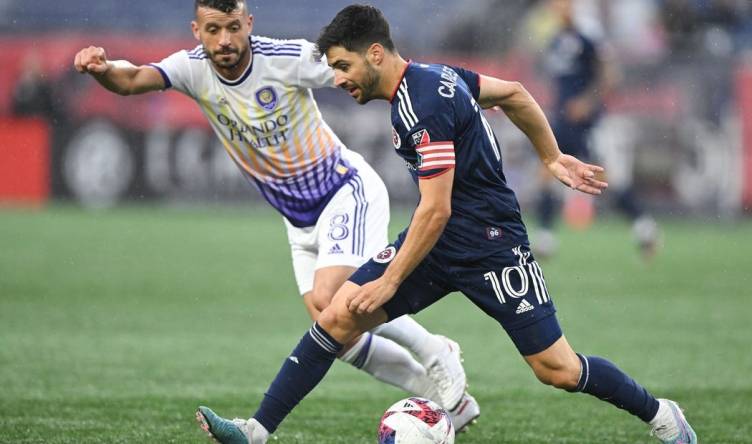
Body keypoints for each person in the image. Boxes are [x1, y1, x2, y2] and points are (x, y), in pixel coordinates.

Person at [196, 4, 696, 444]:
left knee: (557, 370)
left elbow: (437, 208)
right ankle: (256, 432)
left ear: (374, 54)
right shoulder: (436, 76)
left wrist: (390, 281)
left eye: (344, 66)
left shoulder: (421, 105)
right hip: (436, 243)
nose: (340, 80)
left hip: (491, 246)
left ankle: (664, 417)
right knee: (337, 316)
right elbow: (515, 94)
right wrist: (551, 155)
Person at [72, 0, 479, 429]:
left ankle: (436, 351)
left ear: (249, 23)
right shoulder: (191, 69)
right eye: (213, 30)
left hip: (345, 192)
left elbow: (372, 72)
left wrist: (448, 94)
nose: (225, 40)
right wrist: (103, 69)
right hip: (298, 220)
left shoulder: (287, 59)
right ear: (196, 30)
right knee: (335, 334)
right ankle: (441, 396)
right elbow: (133, 77)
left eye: (233, 27)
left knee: (332, 298)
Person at [535, 0, 659, 259]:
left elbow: (611, 75)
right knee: (547, 172)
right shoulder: (556, 39)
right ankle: (546, 237)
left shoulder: (588, 34)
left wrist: (587, 103)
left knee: (603, 179)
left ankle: (643, 225)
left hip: (587, 122)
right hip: (561, 120)